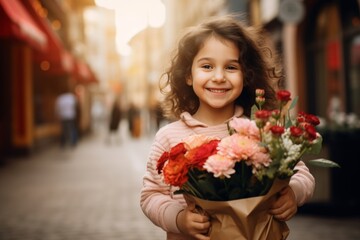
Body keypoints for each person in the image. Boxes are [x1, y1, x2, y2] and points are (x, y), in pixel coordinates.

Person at [140, 15, 315, 240]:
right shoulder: (169, 136)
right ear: (188, 76)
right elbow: (151, 195)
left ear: (247, 76)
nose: (219, 77)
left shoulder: (260, 131)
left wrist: (293, 193)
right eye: (207, 66)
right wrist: (179, 219)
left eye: (231, 67)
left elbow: (301, 173)